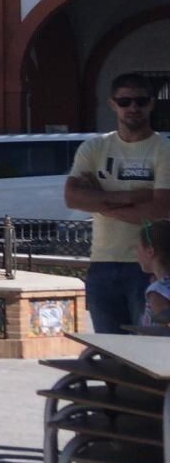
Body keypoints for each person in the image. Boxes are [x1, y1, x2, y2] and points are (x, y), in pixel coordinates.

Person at [64, 73, 170, 334]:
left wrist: (98, 198)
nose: (133, 107)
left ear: (151, 104)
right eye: (125, 101)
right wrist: (135, 197)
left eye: (140, 101)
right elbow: (72, 197)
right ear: (113, 104)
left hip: (149, 266)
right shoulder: (94, 148)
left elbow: (160, 209)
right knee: (110, 351)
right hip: (102, 263)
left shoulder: (163, 149)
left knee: (147, 350)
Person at [137, 219, 170, 327]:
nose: (137, 254)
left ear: (150, 251)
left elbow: (162, 331)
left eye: (138, 248)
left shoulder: (157, 291)